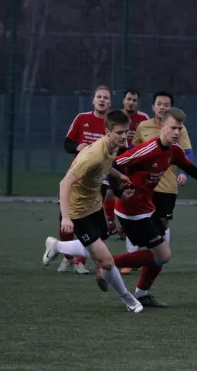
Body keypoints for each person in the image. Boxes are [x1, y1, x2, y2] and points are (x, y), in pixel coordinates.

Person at [98, 107, 197, 308]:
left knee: (161, 253)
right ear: (163, 127)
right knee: (163, 255)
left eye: (180, 128)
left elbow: (191, 169)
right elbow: (112, 165)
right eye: (173, 128)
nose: (177, 132)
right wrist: (118, 192)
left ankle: (142, 294)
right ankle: (108, 263)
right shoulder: (147, 149)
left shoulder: (174, 150)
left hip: (146, 208)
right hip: (132, 210)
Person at [42, 109, 143, 313]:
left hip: (95, 205)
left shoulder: (113, 147)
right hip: (78, 212)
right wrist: (67, 218)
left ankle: (58, 246)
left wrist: (118, 175)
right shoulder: (91, 155)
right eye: (120, 133)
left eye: (126, 132)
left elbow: (105, 166)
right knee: (106, 261)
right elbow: (65, 183)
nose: (124, 137)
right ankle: (129, 300)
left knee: (101, 256)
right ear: (107, 132)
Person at [119, 91, 193, 275]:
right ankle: (131, 258)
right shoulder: (143, 126)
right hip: (143, 186)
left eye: (166, 104)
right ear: (153, 107)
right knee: (137, 222)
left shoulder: (179, 129)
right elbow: (133, 149)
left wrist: (184, 172)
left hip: (166, 186)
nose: (162, 107)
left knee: (161, 225)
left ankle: (156, 258)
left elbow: (188, 153)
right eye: (159, 103)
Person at [58, 85, 111, 274]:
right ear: (93, 100)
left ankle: (81, 261)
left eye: (106, 97)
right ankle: (67, 258)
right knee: (66, 222)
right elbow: (67, 144)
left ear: (110, 102)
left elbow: (119, 153)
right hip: (77, 177)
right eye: (99, 97)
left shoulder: (111, 125)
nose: (102, 100)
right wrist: (76, 147)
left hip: (98, 180)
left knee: (92, 223)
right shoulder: (82, 118)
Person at [103, 88, 149, 240]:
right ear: (123, 101)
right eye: (128, 99)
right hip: (116, 158)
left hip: (134, 160)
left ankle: (125, 224)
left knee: (131, 190)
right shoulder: (115, 117)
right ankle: (110, 221)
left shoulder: (143, 119)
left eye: (134, 100)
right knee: (110, 190)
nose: (131, 103)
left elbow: (147, 142)